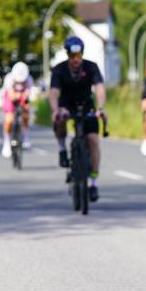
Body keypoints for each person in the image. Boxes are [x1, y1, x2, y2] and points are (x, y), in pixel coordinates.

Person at [48, 36, 106, 202]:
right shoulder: (59, 70)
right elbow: (54, 93)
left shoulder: (91, 67)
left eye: (78, 56)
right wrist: (55, 110)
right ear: (67, 55)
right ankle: (62, 149)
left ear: (82, 54)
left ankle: (93, 182)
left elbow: (100, 89)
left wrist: (101, 108)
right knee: (60, 119)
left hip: (86, 104)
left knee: (93, 140)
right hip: (66, 104)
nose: (75, 60)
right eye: (72, 56)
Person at [1, 61, 34, 158]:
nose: (20, 82)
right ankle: (7, 142)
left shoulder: (29, 79)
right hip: (10, 98)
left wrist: (24, 103)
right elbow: (11, 96)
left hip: (22, 98)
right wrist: (18, 96)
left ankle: (26, 136)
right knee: (9, 120)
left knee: (26, 113)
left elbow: (27, 94)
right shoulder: (9, 78)